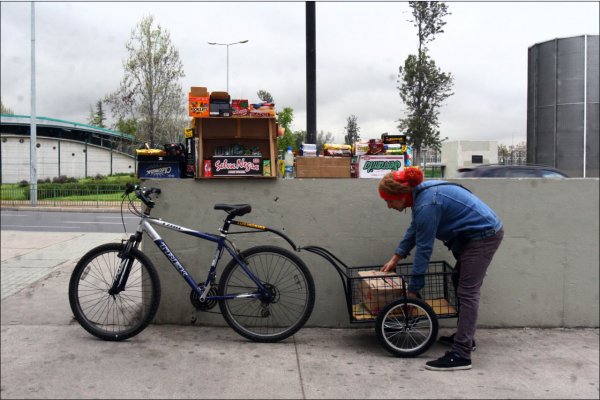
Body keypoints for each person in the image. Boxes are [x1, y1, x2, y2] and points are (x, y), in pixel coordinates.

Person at [378, 167, 503, 371]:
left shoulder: (427, 203)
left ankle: (462, 354)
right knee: (458, 280)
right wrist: (396, 257)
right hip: (474, 237)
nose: (389, 206)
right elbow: (416, 229)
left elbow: (424, 248)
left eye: (389, 201)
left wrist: (413, 289)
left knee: (468, 291)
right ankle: (466, 337)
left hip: (483, 236)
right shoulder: (421, 197)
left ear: (401, 195)